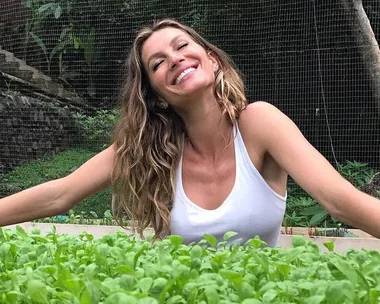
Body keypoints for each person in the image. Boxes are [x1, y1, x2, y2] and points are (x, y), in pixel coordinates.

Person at [1, 19, 380, 247]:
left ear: (211, 59)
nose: (175, 59)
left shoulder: (260, 123)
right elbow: (60, 195)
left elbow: (341, 203)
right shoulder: (144, 147)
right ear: (158, 95)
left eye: (181, 46)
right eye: (158, 63)